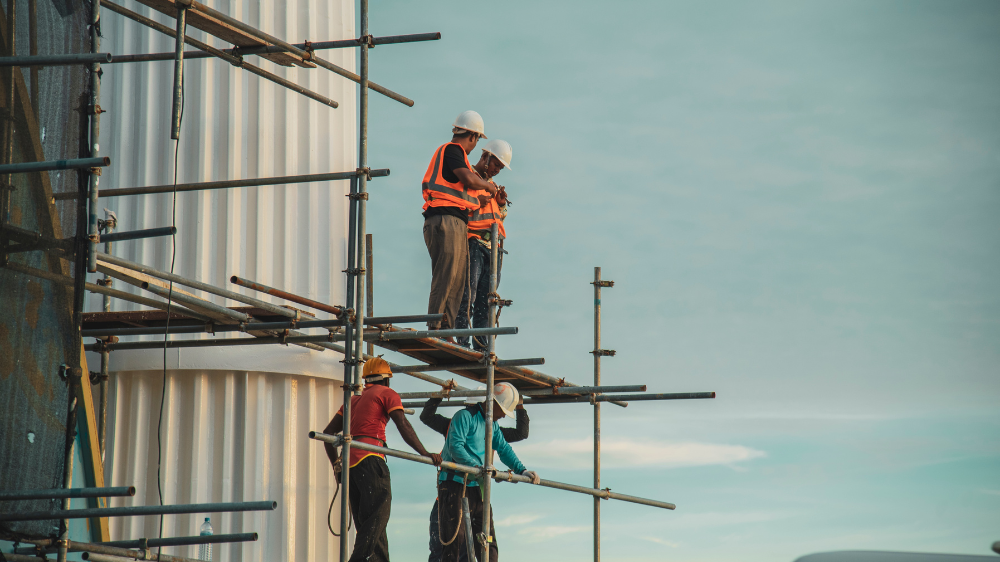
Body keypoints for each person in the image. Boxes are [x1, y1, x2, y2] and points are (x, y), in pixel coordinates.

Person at [323, 357, 443, 562]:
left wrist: (337, 466)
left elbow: (327, 434)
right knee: (378, 516)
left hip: (350, 466)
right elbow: (402, 424)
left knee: (371, 526)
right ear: (386, 380)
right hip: (371, 459)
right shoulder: (387, 393)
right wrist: (424, 452)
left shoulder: (351, 400)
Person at [422, 387, 530, 562]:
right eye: (503, 411)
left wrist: (522, 470)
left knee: (488, 543)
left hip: (476, 487)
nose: (503, 416)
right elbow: (455, 446)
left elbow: (503, 448)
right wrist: (477, 467)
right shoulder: (464, 417)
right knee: (454, 545)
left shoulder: (492, 425)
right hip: (454, 485)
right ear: (492, 402)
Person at [422, 111, 499, 341]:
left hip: (455, 221)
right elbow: (468, 179)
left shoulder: (458, 156)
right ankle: (435, 328)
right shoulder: (452, 150)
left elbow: (461, 192)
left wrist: (478, 199)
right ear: (474, 136)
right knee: (446, 276)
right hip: (444, 220)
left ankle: (448, 330)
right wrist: (489, 187)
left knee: (457, 281)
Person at [456, 140, 513, 350]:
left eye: (500, 167)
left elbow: (498, 217)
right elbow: (464, 205)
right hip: (473, 242)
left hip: (493, 248)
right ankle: (462, 341)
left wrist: (500, 204)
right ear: (485, 157)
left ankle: (481, 346)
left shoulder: (492, 186)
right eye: (496, 164)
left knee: (485, 301)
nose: (497, 170)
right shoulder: (469, 176)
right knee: (467, 294)